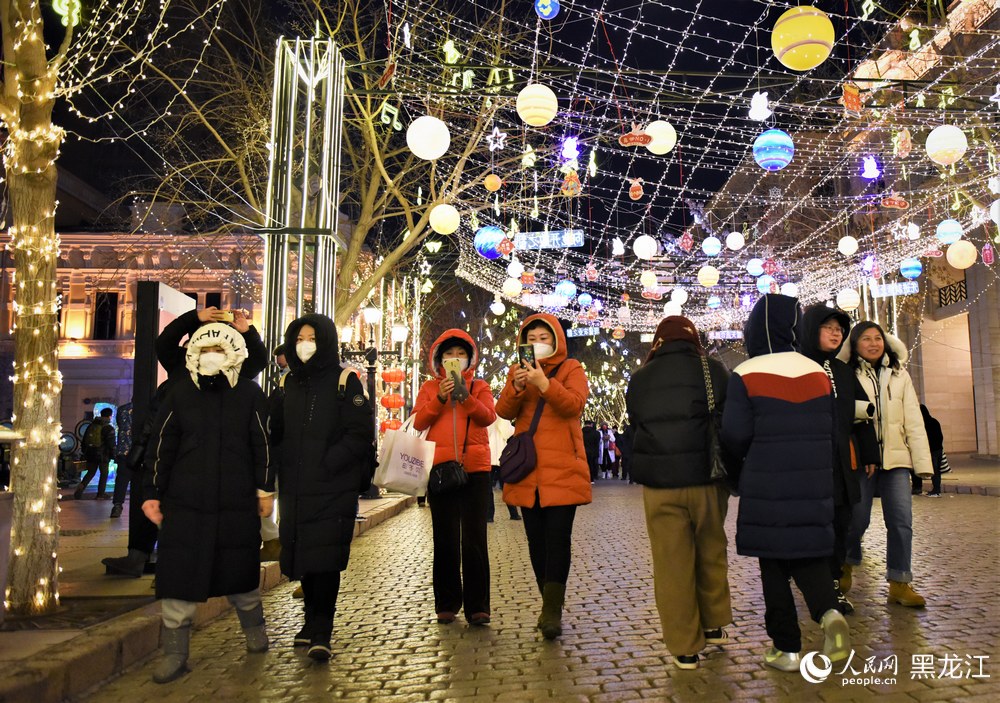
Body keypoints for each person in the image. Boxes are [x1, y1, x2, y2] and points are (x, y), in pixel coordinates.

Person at [721, 294, 850, 673]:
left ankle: (787, 648)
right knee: (809, 553)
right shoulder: (815, 371)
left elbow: (734, 434)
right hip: (814, 479)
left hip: (767, 482)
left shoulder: (747, 372)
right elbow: (831, 428)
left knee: (774, 564)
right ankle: (829, 613)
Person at [142, 322, 274, 683]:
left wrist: (265, 491)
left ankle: (255, 632)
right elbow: (161, 446)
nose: (211, 356)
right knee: (178, 579)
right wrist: (152, 493)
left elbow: (262, 445)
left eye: (218, 349)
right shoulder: (179, 393)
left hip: (235, 502)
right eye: (204, 350)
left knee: (240, 577)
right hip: (185, 504)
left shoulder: (249, 394)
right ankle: (175, 653)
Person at [626, 316, 733, 671]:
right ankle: (714, 624)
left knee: (672, 564)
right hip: (707, 478)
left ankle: (685, 646)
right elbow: (728, 420)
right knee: (711, 550)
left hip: (660, 485)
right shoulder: (714, 370)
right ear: (694, 339)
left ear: (658, 341)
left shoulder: (640, 379)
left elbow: (636, 420)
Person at [270, 313, 374, 661]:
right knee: (302, 556)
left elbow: (359, 433)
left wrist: (330, 463)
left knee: (325, 558)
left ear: (325, 340)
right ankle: (309, 620)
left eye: (312, 337)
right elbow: (275, 432)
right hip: (296, 487)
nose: (305, 344)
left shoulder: (346, 380)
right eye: (299, 338)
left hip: (332, 486)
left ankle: (321, 629)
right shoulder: (287, 384)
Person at [497, 313, 590, 640]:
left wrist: (545, 385)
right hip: (527, 470)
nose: (537, 344)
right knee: (536, 541)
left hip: (563, 468)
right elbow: (503, 411)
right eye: (531, 338)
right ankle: (547, 600)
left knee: (557, 538)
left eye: (543, 337)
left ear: (555, 341)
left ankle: (552, 609)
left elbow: (574, 405)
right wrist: (518, 386)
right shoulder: (516, 370)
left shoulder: (571, 369)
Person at [840, 321, 932, 607]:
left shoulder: (899, 374)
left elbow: (913, 420)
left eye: (877, 338)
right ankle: (846, 563)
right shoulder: (845, 374)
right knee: (857, 520)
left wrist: (923, 463)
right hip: (862, 462)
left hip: (896, 459)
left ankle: (900, 582)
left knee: (902, 522)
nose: (873, 343)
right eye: (865, 339)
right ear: (855, 345)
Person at [412, 330, 497, 625]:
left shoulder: (480, 386)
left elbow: (488, 416)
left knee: (474, 539)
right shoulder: (428, 388)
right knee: (445, 538)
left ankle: (478, 606)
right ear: (439, 359)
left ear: (469, 358)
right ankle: (446, 603)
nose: (455, 359)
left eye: (460, 354)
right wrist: (440, 398)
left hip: (475, 468)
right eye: (449, 355)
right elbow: (420, 420)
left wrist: (466, 397)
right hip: (440, 470)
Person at [800, 305, 879, 614]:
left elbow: (863, 413)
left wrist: (870, 452)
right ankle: (813, 585)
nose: (836, 333)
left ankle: (832, 586)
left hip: (842, 463)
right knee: (814, 526)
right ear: (810, 330)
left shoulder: (843, 370)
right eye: (828, 327)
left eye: (839, 329)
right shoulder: (798, 366)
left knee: (842, 523)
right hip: (809, 465)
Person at [75, 407, 116, 500]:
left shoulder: (91, 425)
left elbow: (84, 440)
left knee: (90, 472)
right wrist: (114, 455)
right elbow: (111, 444)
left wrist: (85, 452)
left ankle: (79, 490)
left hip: (91, 454)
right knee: (104, 473)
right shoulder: (108, 428)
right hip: (103, 455)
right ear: (110, 416)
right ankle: (100, 494)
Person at [487, 415, 520, 522]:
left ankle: (489, 515)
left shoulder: (489, 413)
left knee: (489, 488)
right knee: (506, 485)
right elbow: (508, 432)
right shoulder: (501, 414)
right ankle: (513, 513)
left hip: (491, 454)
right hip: (501, 455)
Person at [110, 403, 134, 518]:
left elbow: (120, 425)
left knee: (121, 480)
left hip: (123, 450)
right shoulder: (148, 409)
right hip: (138, 450)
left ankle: (117, 505)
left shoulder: (122, 409)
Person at [917, 405, 944, 497]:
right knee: (937, 471)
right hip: (938, 449)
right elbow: (940, 436)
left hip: (931, 451)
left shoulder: (923, 424)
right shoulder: (935, 421)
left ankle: (936, 491)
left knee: (934, 471)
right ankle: (936, 489)